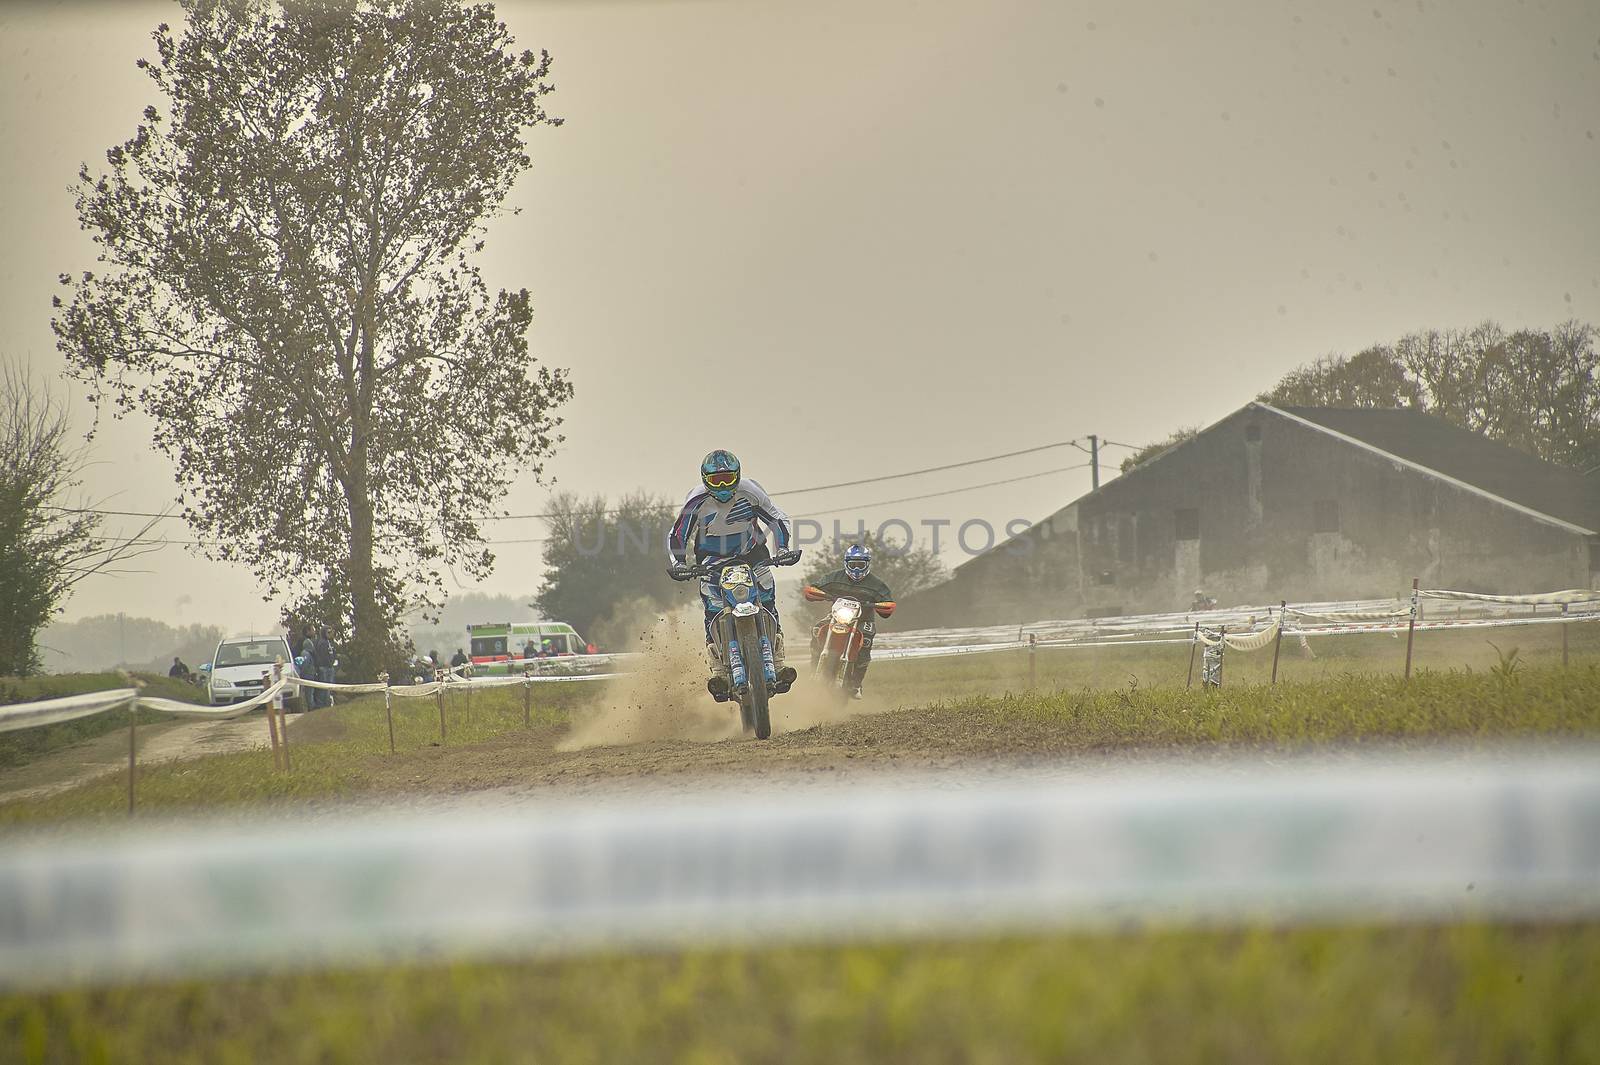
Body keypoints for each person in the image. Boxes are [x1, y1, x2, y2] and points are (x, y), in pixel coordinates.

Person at [666, 449, 800, 699]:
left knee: (768, 600)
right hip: (711, 563)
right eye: (717, 480)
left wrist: (782, 549)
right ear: (706, 480)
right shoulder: (696, 500)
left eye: (728, 478)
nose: (724, 485)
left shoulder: (750, 492)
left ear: (738, 476)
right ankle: (718, 670)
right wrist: (679, 563)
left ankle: (778, 661)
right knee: (712, 609)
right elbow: (677, 534)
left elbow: (777, 518)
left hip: (752, 556)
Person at [802, 544, 897, 699]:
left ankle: (856, 684)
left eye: (861, 565)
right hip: (837, 615)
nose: (857, 569)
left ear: (867, 564)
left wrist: (882, 605)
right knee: (817, 628)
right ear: (847, 563)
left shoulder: (877, 585)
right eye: (853, 564)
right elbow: (815, 588)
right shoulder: (834, 577)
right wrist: (817, 592)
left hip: (863, 619)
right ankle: (815, 666)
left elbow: (888, 603)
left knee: (865, 640)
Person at [312, 627, 336, 709]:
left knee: (329, 687)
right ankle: (322, 706)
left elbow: (333, 654)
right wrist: (329, 663)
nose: (330, 633)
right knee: (324, 688)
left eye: (331, 632)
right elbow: (323, 657)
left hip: (329, 667)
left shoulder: (329, 642)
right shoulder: (322, 643)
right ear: (324, 633)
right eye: (328, 632)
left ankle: (328, 704)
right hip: (324, 668)